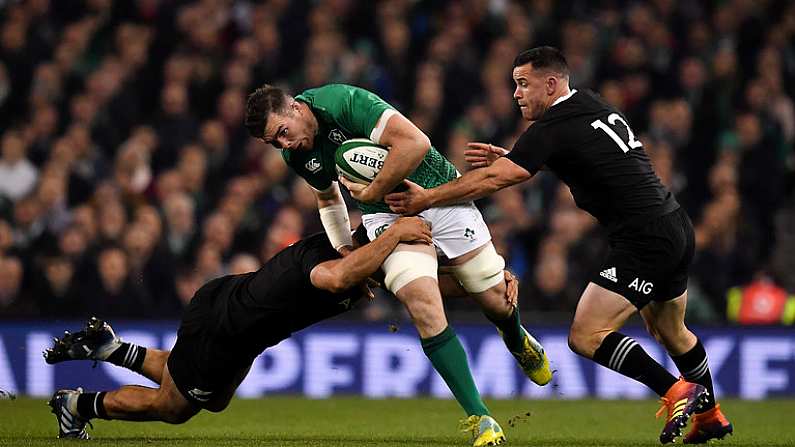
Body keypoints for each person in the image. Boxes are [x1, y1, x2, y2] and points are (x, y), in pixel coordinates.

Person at [384, 46, 733, 445]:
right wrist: (520, 157)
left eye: (523, 84)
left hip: (644, 239)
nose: (516, 94)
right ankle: (711, 416)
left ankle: (676, 391)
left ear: (550, 84)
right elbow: (582, 153)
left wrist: (426, 199)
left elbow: (494, 180)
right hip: (674, 225)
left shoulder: (551, 128)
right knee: (672, 330)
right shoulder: (589, 103)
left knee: (586, 335)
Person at [245, 83, 551, 445]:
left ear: (295, 108)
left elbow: (416, 144)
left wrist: (373, 192)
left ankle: (514, 336)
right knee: (422, 301)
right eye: (274, 143)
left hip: (436, 190)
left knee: (495, 299)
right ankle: (481, 417)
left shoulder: (344, 103)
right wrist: (345, 248)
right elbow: (328, 200)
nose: (284, 145)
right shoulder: (296, 155)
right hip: (384, 218)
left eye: (282, 133)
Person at [43, 218, 514, 446]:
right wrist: (397, 235)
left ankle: (110, 348)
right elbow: (336, 278)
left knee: (202, 388)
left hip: (227, 308)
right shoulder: (334, 268)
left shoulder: (357, 260)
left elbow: (426, 288)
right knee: (175, 406)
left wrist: (486, 286)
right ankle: (76, 405)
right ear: (380, 246)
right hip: (229, 329)